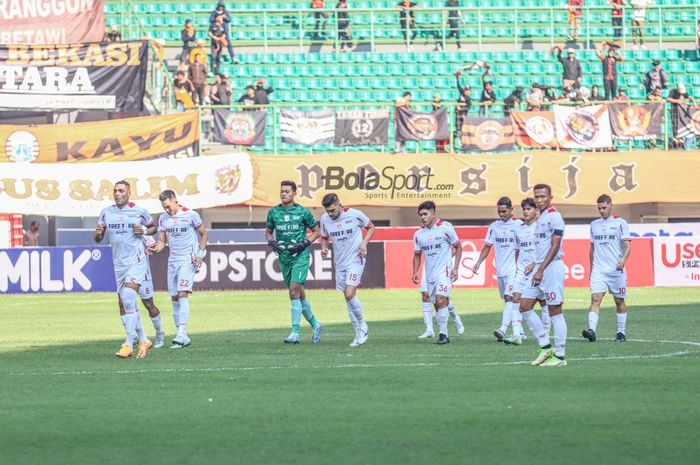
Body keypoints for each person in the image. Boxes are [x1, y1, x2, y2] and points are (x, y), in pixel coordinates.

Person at [94, 180, 161, 359]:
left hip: (136, 260)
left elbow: (154, 226)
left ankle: (128, 343)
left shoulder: (139, 211)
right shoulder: (106, 213)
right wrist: (98, 233)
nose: (117, 194)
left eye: (121, 191)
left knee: (129, 297)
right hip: (119, 264)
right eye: (115, 191)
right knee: (124, 303)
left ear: (129, 193)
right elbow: (97, 238)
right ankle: (144, 339)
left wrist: (145, 232)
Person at [148, 190, 208, 349]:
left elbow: (203, 235)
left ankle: (181, 333)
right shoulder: (163, 218)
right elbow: (161, 241)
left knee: (183, 293)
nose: (167, 210)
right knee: (174, 297)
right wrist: (155, 250)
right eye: (164, 207)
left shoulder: (191, 215)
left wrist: (200, 254)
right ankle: (183, 336)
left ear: (175, 200)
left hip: (188, 259)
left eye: (168, 206)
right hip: (173, 260)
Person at [266, 181, 324, 344]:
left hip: (300, 256)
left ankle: (295, 333)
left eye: (287, 191)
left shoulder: (302, 212)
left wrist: (305, 243)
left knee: (293, 292)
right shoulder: (273, 212)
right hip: (284, 257)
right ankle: (316, 324)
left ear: (294, 193)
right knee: (299, 293)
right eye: (281, 191)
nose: (283, 194)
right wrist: (272, 243)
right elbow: (269, 233)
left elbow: (316, 231)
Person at [518, 184, 568, 367]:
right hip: (539, 267)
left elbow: (555, 246)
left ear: (550, 197)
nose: (539, 200)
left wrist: (540, 269)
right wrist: (535, 265)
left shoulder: (554, 216)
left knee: (555, 311)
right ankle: (545, 347)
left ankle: (560, 357)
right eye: (536, 197)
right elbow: (542, 246)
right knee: (524, 306)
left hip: (551, 269)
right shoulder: (540, 218)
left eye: (542, 197)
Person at [319, 194, 376, 346]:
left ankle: (363, 325)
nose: (330, 214)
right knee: (347, 299)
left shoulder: (355, 215)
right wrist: (324, 249)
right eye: (327, 211)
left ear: (339, 205)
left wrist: (364, 243)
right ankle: (358, 333)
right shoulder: (324, 219)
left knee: (350, 294)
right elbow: (323, 237)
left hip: (356, 259)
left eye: (332, 210)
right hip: (340, 263)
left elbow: (371, 227)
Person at [473, 197, 525, 343]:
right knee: (508, 300)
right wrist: (478, 262)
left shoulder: (519, 225)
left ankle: (503, 329)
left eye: (504, 211)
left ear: (511, 209)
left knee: (511, 298)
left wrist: (520, 268)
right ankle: (520, 332)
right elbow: (487, 246)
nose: (501, 214)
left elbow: (522, 248)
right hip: (501, 270)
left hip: (514, 270)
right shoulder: (494, 226)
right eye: (499, 212)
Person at [411, 201, 463, 345]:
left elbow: (458, 247)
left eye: (425, 214)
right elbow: (417, 254)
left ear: (434, 214)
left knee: (441, 300)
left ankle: (443, 335)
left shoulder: (446, 228)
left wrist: (456, 268)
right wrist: (415, 271)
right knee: (436, 304)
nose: (422, 217)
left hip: (444, 272)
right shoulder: (418, 234)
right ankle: (445, 330)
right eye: (420, 215)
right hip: (430, 274)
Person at [583, 194, 631, 344]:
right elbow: (592, 248)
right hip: (599, 269)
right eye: (599, 208)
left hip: (615, 269)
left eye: (604, 207)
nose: (601, 211)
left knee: (619, 300)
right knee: (595, 298)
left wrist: (623, 259)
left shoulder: (621, 223)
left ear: (611, 206)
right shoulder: (594, 225)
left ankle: (621, 332)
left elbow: (627, 245)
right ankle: (591, 331)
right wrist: (591, 269)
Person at [511, 198, 550, 344]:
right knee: (515, 298)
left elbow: (546, 250)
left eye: (529, 209)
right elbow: (517, 250)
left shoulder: (540, 228)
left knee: (543, 301)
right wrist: (517, 268)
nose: (526, 212)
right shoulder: (518, 229)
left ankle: (546, 332)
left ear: (536, 211)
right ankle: (516, 334)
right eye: (524, 209)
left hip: (538, 270)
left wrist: (534, 265)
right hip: (522, 270)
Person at [667, 83, 698, 150]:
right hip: (675, 112)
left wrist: (694, 103)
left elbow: (690, 97)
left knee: (690, 128)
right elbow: (668, 99)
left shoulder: (684, 92)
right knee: (676, 127)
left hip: (683, 113)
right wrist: (677, 101)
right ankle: (676, 142)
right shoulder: (673, 91)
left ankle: (684, 144)